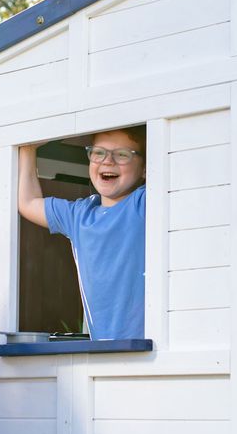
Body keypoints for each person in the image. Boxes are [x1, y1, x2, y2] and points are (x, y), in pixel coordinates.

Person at [18, 127, 146, 339]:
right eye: (98, 153)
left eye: (122, 154)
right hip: (103, 351)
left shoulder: (142, 203)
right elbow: (27, 202)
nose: (107, 161)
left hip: (146, 349)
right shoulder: (80, 214)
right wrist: (28, 149)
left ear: (144, 169)